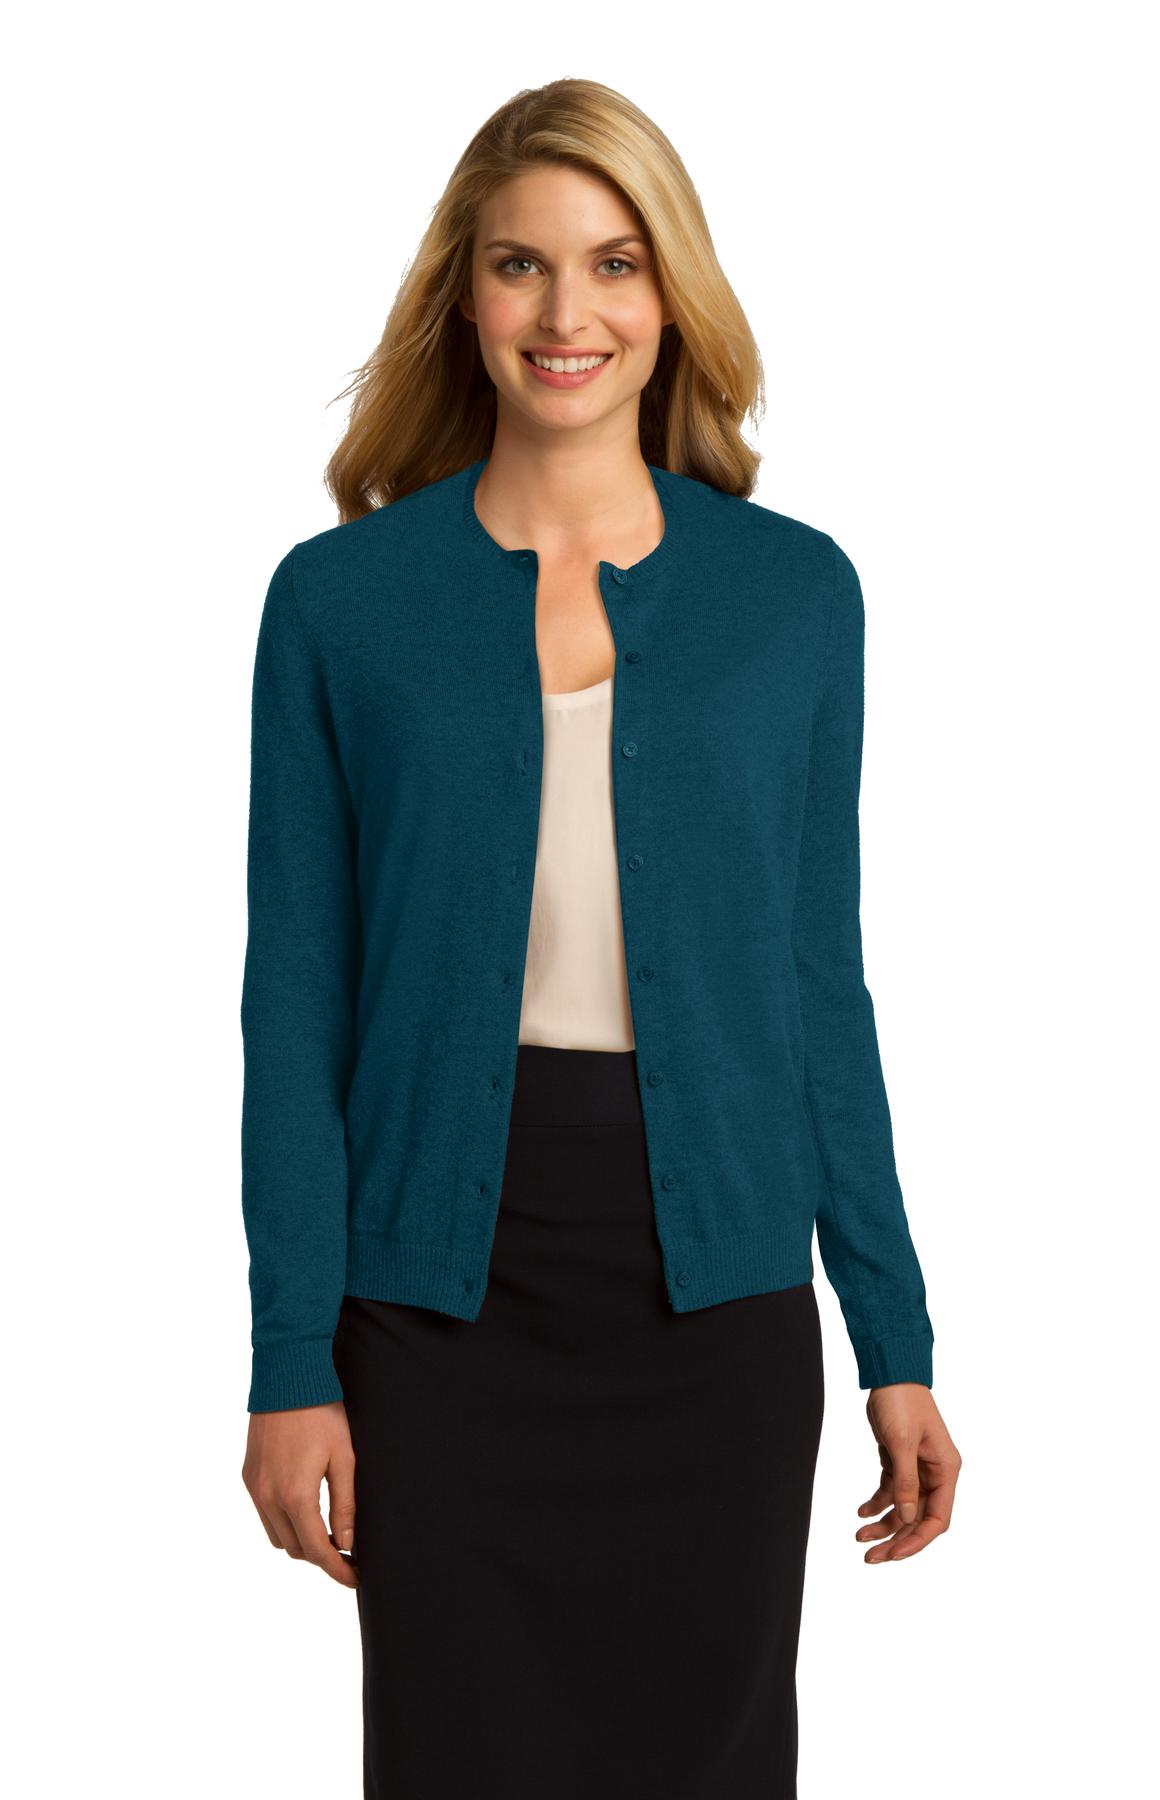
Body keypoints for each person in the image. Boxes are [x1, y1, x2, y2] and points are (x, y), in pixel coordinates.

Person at [238, 75, 962, 1800]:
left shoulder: (795, 595)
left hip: (714, 1295)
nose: (568, 313)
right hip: (433, 1299)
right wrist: (287, 1359)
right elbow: (298, 1006)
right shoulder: (340, 605)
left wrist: (897, 1336)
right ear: (464, 296)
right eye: (521, 265)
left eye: (615, 263)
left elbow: (818, 988)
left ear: (672, 295)